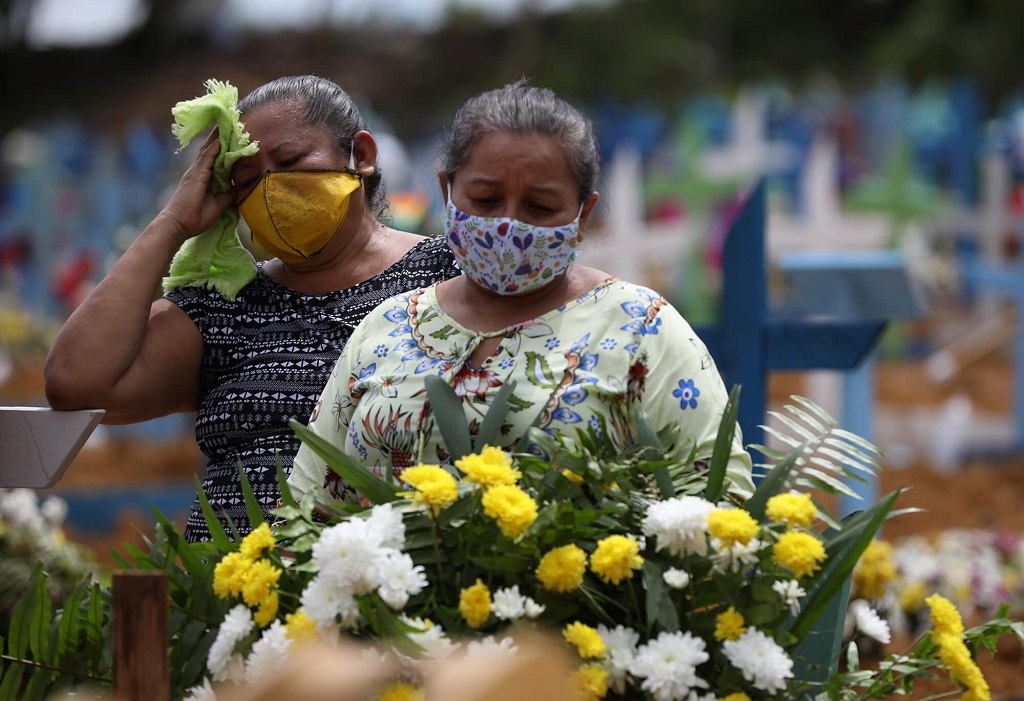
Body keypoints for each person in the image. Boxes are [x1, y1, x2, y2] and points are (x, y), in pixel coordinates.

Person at [288, 80, 753, 506]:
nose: (509, 224)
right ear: (447, 193)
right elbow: (309, 508)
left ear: (583, 213)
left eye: (540, 206)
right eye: (486, 201)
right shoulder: (386, 329)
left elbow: (717, 503)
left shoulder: (639, 327)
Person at [44, 75, 462, 542]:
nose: (269, 187)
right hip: (228, 593)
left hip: (387, 584)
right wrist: (173, 222)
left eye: (290, 161)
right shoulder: (223, 308)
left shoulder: (447, 275)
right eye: (246, 180)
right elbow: (74, 383)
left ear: (361, 156)